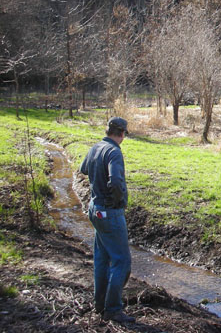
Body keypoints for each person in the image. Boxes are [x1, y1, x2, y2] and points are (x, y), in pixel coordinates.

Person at [79, 117, 134, 323]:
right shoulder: (114, 152)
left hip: (94, 209)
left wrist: (98, 185)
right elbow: (117, 181)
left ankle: (99, 305)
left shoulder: (96, 148)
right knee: (122, 261)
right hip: (109, 212)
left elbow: (84, 169)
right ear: (121, 134)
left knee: (102, 259)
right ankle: (112, 309)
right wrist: (117, 201)